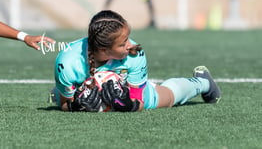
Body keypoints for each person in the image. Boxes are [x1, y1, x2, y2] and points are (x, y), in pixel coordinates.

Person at [52, 10, 221, 112]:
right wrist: (76, 106)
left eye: (128, 38)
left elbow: (138, 102)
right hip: (78, 83)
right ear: (104, 50)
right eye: (122, 43)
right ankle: (63, 89)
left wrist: (126, 104)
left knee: (167, 98)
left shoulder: (135, 54)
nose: (130, 45)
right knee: (57, 96)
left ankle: (203, 82)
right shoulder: (67, 63)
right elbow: (66, 104)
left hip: (129, 87)